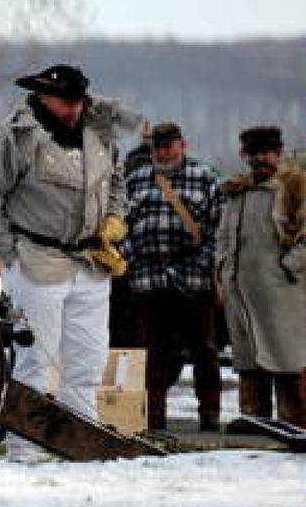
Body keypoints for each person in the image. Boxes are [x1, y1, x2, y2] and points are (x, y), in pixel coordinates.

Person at [0, 64, 141, 458]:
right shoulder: (15, 137)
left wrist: (114, 220)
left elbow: (115, 183)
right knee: (35, 362)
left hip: (91, 259)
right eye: (63, 102)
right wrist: (11, 256)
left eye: (76, 101)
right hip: (36, 258)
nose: (70, 110)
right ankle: (26, 449)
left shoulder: (99, 134)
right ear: (42, 98)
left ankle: (82, 444)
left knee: (88, 361)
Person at [121, 122, 223, 431]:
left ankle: (210, 415)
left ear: (183, 145)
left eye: (169, 145)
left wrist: (204, 261)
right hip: (148, 275)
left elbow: (218, 228)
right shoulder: (135, 180)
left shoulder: (205, 179)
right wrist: (131, 258)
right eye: (158, 147)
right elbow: (121, 224)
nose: (163, 152)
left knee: (204, 349)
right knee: (151, 351)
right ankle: (153, 417)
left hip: (193, 275)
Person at [216, 126, 306, 427]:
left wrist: (287, 268)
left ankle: (295, 434)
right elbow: (224, 237)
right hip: (241, 296)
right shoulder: (237, 193)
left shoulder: (296, 187)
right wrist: (223, 270)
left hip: (284, 298)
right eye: (254, 154)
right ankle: (253, 436)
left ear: (278, 153)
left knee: (288, 365)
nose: (260, 160)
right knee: (250, 367)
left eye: (266, 152)